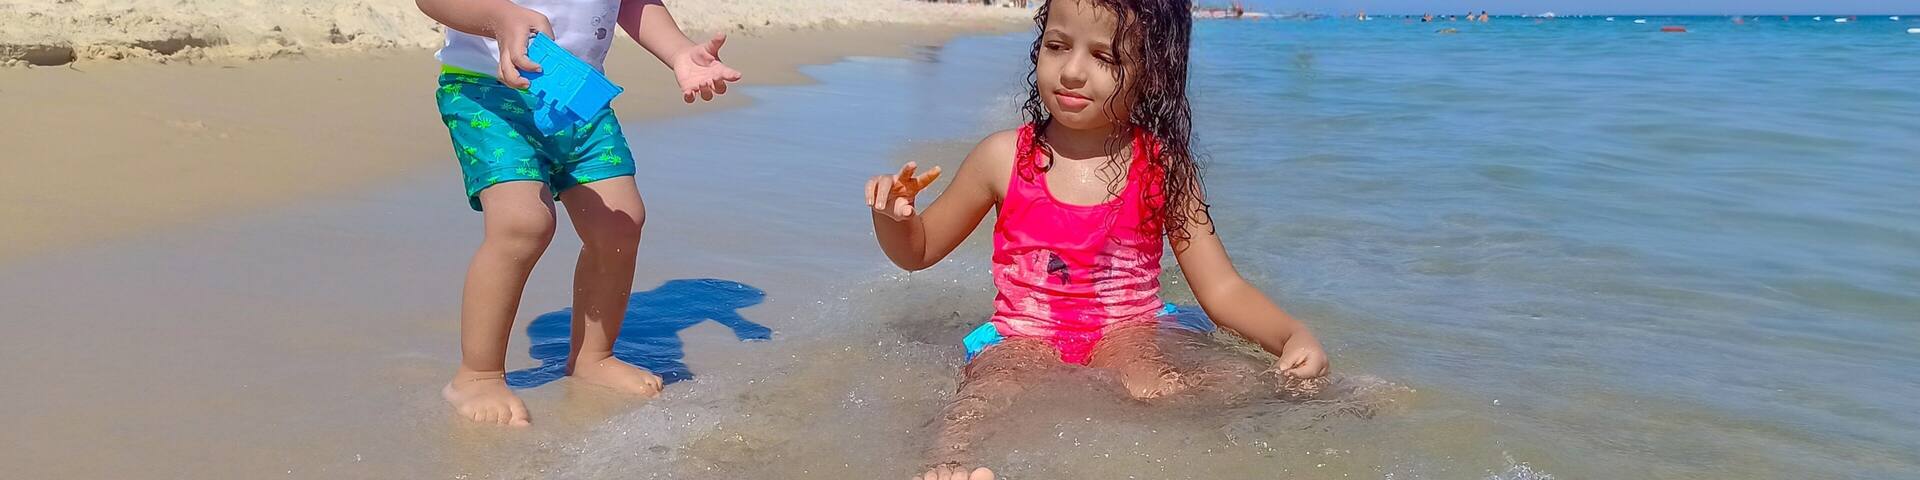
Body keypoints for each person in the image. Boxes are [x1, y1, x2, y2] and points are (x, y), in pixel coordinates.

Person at [862, 0, 1329, 477]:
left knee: (1186, 387)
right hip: (1026, 334)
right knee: (978, 403)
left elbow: (1222, 288)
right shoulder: (1001, 158)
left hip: (1129, 329)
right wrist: (895, 218)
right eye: (1057, 46)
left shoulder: (1163, 166)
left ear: (1151, 73)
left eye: (1104, 56)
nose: (1071, 71)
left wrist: (1290, 336)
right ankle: (950, 467)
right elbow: (918, 250)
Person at [415, 0, 742, 426]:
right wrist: (500, 18)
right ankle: (477, 375)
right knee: (523, 224)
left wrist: (680, 52)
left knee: (621, 222)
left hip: (578, 95)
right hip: (488, 93)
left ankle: (594, 357)